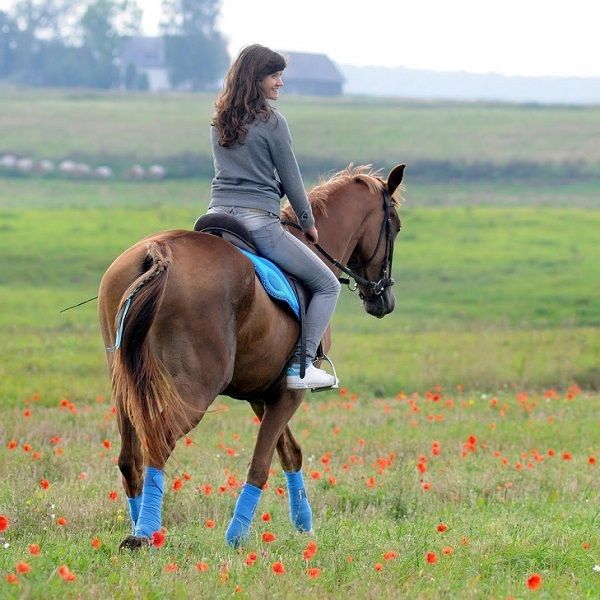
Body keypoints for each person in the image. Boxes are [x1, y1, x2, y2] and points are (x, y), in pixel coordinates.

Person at [208, 44, 341, 390]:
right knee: (327, 285)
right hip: (257, 222)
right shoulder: (272, 122)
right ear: (256, 78)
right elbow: (292, 181)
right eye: (275, 75)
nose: (280, 82)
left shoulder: (220, 120)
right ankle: (302, 366)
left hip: (216, 217)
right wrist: (308, 223)